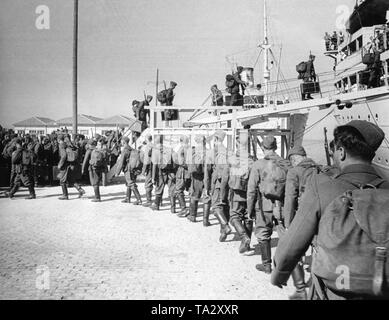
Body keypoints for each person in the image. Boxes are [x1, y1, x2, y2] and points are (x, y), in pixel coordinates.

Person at [271, 120, 389, 300]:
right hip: (381, 289)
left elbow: (293, 242)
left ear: (341, 152)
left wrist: (280, 272)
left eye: (334, 152)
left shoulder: (322, 186)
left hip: (337, 290)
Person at [247, 135, 290, 274]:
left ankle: (266, 265)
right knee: (284, 233)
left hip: (264, 205)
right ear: (276, 147)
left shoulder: (258, 164)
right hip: (282, 205)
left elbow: (251, 190)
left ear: (263, 147)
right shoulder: (285, 164)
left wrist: (249, 210)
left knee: (263, 233)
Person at [282, 145, 321, 300]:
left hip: (302, 216)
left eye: (291, 161)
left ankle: (301, 289)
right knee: (317, 250)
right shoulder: (319, 169)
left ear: (294, 158)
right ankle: (316, 285)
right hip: (319, 215)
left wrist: (288, 223)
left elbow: (290, 198)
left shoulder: (294, 171)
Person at [228, 132, 254, 253]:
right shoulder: (252, 160)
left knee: (234, 216)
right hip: (249, 193)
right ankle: (247, 245)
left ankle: (244, 237)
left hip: (237, 192)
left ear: (237, 143)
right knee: (248, 218)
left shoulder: (233, 158)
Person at [209, 130, 232, 240]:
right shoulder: (221, 151)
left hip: (220, 184)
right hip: (222, 183)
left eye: (214, 139)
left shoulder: (221, 152)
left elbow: (224, 173)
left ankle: (226, 226)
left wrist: (221, 190)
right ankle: (223, 232)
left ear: (217, 139)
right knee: (223, 207)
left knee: (216, 207)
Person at [186, 135, 211, 225]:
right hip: (207, 177)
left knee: (194, 195)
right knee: (207, 197)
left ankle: (192, 216)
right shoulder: (208, 152)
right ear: (204, 141)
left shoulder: (193, 151)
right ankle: (205, 220)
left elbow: (188, 165)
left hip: (196, 177)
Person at [151, 135, 176, 212]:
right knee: (172, 189)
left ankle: (157, 205)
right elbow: (175, 160)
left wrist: (153, 177)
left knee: (159, 189)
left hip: (160, 172)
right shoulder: (169, 149)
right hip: (170, 172)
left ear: (156, 141)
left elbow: (154, 165)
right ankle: (173, 208)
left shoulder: (155, 150)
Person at [57, 134, 85, 200]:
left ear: (58, 140)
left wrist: (60, 164)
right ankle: (80, 189)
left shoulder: (61, 145)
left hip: (65, 165)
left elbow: (63, 156)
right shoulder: (68, 144)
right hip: (71, 164)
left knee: (62, 180)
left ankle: (65, 195)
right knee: (70, 179)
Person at [120, 136, 142, 205]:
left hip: (128, 169)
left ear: (124, 142)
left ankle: (139, 199)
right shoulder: (131, 149)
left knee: (131, 183)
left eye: (121, 141)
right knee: (129, 183)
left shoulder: (125, 150)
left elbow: (121, 161)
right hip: (133, 169)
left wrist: (118, 171)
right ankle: (127, 198)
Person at [175, 135, 191, 217]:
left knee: (178, 190)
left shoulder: (181, 149)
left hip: (182, 173)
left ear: (181, 141)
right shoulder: (191, 148)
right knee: (191, 191)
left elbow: (180, 162)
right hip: (191, 173)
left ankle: (184, 209)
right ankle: (192, 210)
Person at [140, 134, 154, 207]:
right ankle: (159, 201)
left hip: (150, 168)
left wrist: (143, 171)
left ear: (146, 139)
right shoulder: (154, 145)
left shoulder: (148, 147)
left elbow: (146, 160)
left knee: (147, 184)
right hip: (155, 167)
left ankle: (149, 201)